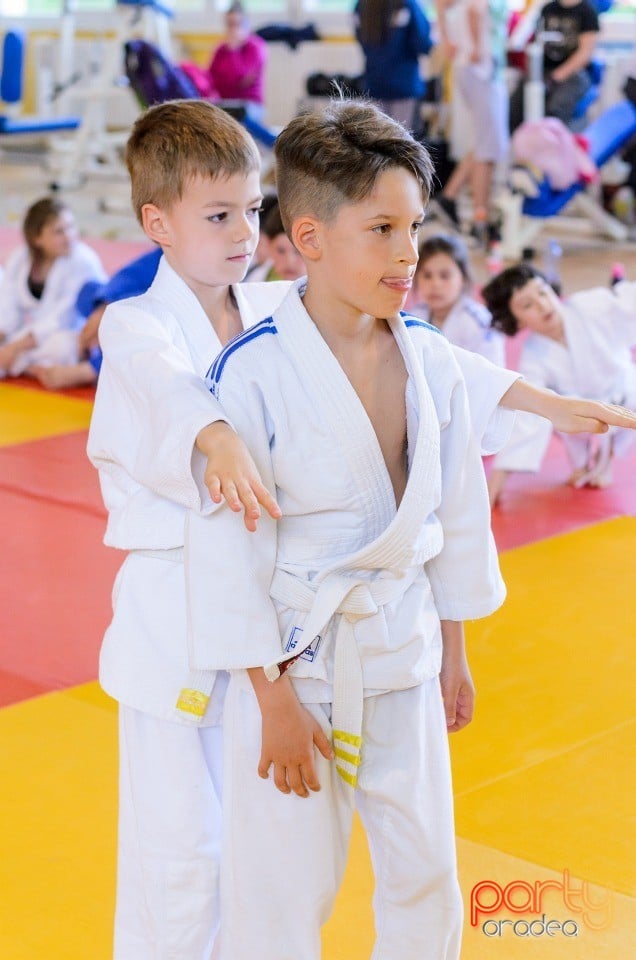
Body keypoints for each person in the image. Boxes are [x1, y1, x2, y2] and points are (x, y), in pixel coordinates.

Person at [184, 98, 614, 960]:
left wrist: (454, 649)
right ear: (307, 238)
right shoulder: (252, 374)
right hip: (298, 666)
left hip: (406, 654)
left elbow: (451, 513)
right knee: (280, 893)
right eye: (381, 228)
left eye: (414, 226)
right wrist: (268, 700)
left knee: (426, 879)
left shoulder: (426, 359)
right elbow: (230, 553)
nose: (409, 253)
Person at [86, 99, 293, 960]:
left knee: (261, 858)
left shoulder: (279, 310)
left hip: (264, 615)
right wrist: (213, 438)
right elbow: (171, 394)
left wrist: (522, 397)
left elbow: (399, 348)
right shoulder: (137, 323)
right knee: (180, 858)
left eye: (251, 209)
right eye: (218, 215)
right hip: (171, 621)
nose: (244, 231)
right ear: (157, 223)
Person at [482, 263, 636, 505]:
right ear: (517, 320)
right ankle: (584, 462)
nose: (543, 305)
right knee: (556, 411)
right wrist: (498, 480)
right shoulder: (533, 355)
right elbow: (530, 412)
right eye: (527, 305)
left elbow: (629, 305)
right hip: (580, 411)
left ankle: (608, 455)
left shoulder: (590, 306)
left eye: (542, 292)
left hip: (626, 391)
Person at [430, 0, 509, 245]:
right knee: (488, 147)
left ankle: (451, 199)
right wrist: (474, 44)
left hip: (476, 67)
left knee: (485, 143)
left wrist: (447, 39)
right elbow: (475, 10)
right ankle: (479, 219)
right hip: (480, 69)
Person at [0, 197, 106, 379]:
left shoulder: (83, 261)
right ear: (37, 238)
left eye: (71, 227)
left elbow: (62, 318)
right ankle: (27, 365)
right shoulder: (19, 259)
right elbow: (7, 309)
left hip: (72, 335)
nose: (69, 236)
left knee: (63, 347)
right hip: (30, 334)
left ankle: (19, 364)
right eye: (59, 231)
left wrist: (14, 348)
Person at [31, 248, 162, 390]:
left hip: (156, 325)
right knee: (88, 291)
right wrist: (104, 304)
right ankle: (98, 344)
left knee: (140, 318)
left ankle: (93, 368)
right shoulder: (165, 251)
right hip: (127, 314)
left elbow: (158, 303)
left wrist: (113, 310)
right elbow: (135, 274)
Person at [406, 233, 506, 363]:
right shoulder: (413, 317)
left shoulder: (479, 322)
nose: (435, 284)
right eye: (427, 275)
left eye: (445, 276)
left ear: (463, 279)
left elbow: (494, 377)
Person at [509, 0, 600, 132]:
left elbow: (585, 54)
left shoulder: (587, 12)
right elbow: (536, 41)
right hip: (544, 71)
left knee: (555, 110)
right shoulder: (548, 9)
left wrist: (557, 77)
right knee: (515, 107)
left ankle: (552, 145)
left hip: (573, 74)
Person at [354, 0, 433, 127]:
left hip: (374, 84)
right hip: (404, 86)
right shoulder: (408, 4)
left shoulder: (362, 5)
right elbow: (423, 43)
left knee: (377, 139)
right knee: (402, 140)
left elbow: (361, 40)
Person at [245, 201, 306, 282]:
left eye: (299, 252)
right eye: (281, 251)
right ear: (269, 245)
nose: (289, 261)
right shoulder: (255, 280)